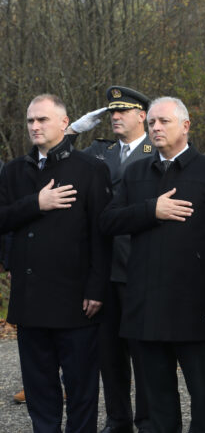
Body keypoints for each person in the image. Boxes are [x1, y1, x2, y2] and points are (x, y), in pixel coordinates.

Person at [100, 97, 205, 433]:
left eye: (164, 122)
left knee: (201, 391)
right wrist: (151, 210)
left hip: (193, 304)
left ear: (185, 126)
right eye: (152, 123)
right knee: (157, 394)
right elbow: (108, 222)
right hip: (146, 304)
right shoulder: (136, 172)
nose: (156, 128)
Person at [0, 94, 112, 432]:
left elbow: (101, 235)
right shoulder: (15, 170)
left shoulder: (91, 169)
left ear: (64, 123)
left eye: (43, 120)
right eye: (31, 120)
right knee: (39, 388)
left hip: (75, 299)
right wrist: (37, 202)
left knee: (81, 388)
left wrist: (96, 287)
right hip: (31, 299)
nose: (35, 126)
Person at [67, 85, 154, 433]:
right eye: (111, 112)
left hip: (140, 265)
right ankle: (118, 418)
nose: (115, 117)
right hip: (104, 268)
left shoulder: (154, 149)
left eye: (122, 111)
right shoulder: (99, 152)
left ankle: (148, 419)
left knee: (144, 352)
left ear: (141, 116)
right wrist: (72, 131)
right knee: (109, 353)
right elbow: (63, 163)